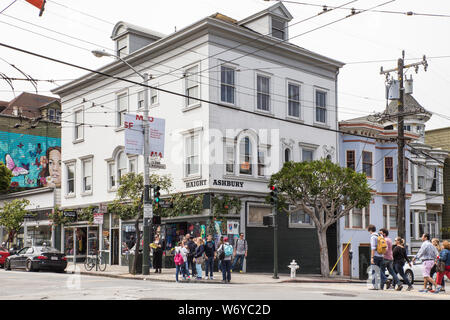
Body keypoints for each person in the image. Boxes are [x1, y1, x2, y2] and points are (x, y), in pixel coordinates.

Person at [367, 224, 387, 290]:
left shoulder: (373, 237)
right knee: (378, 270)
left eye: (369, 231)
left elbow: (373, 248)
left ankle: (375, 285)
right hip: (381, 255)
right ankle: (385, 280)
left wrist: (372, 257)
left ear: (370, 230)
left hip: (375, 255)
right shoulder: (380, 235)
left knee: (374, 270)